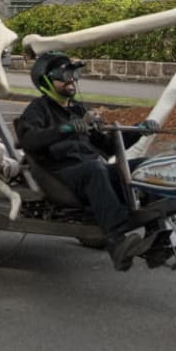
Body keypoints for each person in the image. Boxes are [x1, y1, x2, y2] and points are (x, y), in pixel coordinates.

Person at [15, 52, 156, 271]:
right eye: (64, 75)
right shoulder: (37, 109)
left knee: (143, 167)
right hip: (59, 176)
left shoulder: (78, 110)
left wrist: (139, 130)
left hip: (89, 170)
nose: (71, 79)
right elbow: (28, 140)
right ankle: (117, 243)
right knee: (95, 169)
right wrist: (65, 129)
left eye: (73, 74)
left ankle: (157, 234)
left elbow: (108, 145)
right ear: (46, 81)